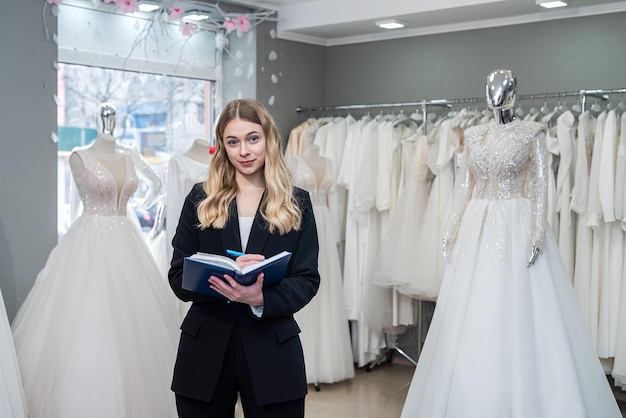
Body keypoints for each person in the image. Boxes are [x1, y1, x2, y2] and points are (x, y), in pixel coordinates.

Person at [400, 69, 622, 417]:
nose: (495, 95)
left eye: (502, 89)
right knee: (471, 313)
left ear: (514, 94)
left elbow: (540, 187)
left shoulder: (532, 132)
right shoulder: (473, 136)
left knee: (523, 308)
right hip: (478, 225)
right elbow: (463, 187)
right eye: (490, 89)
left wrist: (537, 232)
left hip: (517, 223)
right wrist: (450, 229)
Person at [12, 102, 180, 418]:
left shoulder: (131, 155)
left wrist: (144, 204)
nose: (110, 121)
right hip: (88, 241)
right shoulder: (79, 156)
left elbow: (156, 186)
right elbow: (77, 204)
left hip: (128, 240)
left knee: (136, 323)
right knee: (88, 319)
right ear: (99, 119)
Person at [168, 98, 320, 417]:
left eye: (253, 138)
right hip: (205, 349)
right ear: (223, 146)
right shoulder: (200, 198)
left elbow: (306, 279)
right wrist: (222, 283)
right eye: (233, 142)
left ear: (268, 138)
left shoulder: (297, 202)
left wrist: (260, 297)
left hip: (273, 349)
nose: (244, 151)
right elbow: (178, 276)